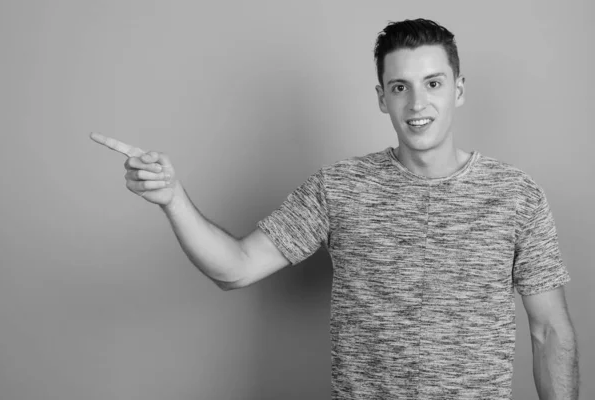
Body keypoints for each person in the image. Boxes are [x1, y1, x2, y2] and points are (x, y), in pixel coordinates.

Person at [91, 18, 580, 400]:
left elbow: (549, 330)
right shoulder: (339, 188)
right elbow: (235, 269)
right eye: (399, 86)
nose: (416, 102)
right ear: (381, 98)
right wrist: (173, 198)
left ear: (458, 89)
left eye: (433, 83)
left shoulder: (516, 194)